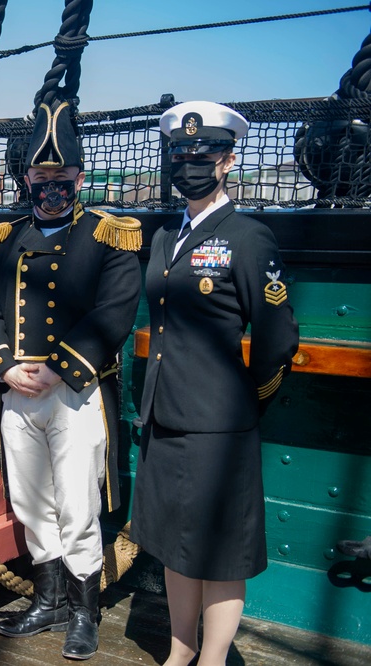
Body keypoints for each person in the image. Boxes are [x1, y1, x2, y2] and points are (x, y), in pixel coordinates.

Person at [130, 101, 299, 666]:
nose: (189, 163)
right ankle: (181, 653)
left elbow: (277, 338)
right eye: (179, 153)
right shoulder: (163, 239)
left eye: (202, 154)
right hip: (165, 416)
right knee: (177, 544)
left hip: (219, 424)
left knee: (221, 551)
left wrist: (246, 404)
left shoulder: (248, 238)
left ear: (227, 161)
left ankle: (213, 660)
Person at [0, 98, 142, 660]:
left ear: (79, 176)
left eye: (61, 176)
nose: (51, 186)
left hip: (75, 391)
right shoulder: (6, 241)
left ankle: (83, 612)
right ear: (26, 179)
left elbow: (113, 314)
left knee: (77, 503)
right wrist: (4, 366)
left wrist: (56, 368)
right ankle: (46, 601)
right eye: (41, 176)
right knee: (29, 499)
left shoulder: (107, 237)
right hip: (19, 392)